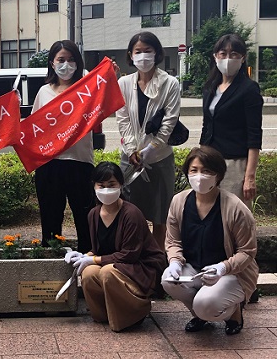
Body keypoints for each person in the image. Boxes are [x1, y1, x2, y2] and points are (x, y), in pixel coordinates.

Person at [161, 146, 258, 335]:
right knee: (167, 279)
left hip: (231, 273)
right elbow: (173, 241)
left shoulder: (235, 208)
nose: (199, 176)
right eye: (194, 170)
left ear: (218, 175)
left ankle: (233, 313)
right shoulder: (179, 202)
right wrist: (174, 262)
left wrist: (222, 268)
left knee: (205, 303)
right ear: (187, 173)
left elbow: (247, 251)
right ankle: (200, 315)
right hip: (194, 269)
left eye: (207, 171)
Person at [66, 162, 166, 332]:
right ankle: (103, 315)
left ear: (121, 184)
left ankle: (133, 314)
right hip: (116, 263)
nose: (106, 190)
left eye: (111, 185)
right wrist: (83, 256)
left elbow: (130, 255)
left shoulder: (131, 214)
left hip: (140, 267)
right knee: (89, 273)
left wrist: (93, 259)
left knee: (107, 272)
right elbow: (98, 249)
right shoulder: (93, 214)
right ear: (94, 186)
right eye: (101, 185)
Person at [115, 31, 180, 249]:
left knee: (160, 213)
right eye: (138, 51)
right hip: (130, 158)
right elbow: (122, 118)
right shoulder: (124, 83)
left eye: (148, 51)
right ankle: (134, 256)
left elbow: (169, 121)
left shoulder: (170, 83)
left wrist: (150, 150)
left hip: (160, 157)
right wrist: (133, 150)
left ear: (157, 53)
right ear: (130, 55)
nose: (143, 56)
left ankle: (157, 258)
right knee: (131, 210)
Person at [31, 40, 94, 251]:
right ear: (52, 63)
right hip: (49, 165)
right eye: (61, 60)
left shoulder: (87, 90)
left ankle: (87, 265)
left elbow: (106, 104)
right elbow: (34, 129)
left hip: (80, 163)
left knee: (85, 219)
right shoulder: (43, 92)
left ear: (78, 63)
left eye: (71, 59)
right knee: (50, 219)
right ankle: (51, 262)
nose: (66, 64)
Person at [200, 33, 263, 208]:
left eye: (234, 54)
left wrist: (249, 177)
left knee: (234, 216)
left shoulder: (249, 89)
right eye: (223, 53)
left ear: (243, 58)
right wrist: (200, 158)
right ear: (215, 56)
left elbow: (254, 135)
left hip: (235, 164)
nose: (228, 58)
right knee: (209, 213)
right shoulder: (210, 88)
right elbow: (207, 126)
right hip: (210, 162)